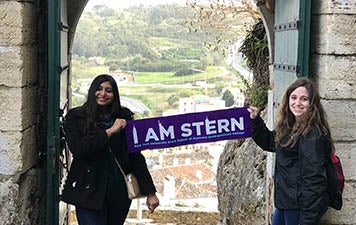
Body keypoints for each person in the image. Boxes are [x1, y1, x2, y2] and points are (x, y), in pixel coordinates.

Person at [61, 74, 159, 225]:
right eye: (99, 89)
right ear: (92, 91)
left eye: (108, 90)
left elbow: (135, 156)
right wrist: (109, 132)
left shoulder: (124, 117)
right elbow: (79, 149)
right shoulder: (77, 117)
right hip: (89, 190)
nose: (103, 94)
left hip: (118, 191)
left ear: (114, 94)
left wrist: (150, 192)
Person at [247, 78, 333, 225]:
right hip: (285, 203)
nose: (297, 103)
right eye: (293, 97)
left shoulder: (312, 135)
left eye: (304, 99)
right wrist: (255, 120)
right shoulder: (292, 126)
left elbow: (315, 181)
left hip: (299, 207)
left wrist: (307, 220)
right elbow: (271, 142)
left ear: (312, 103)